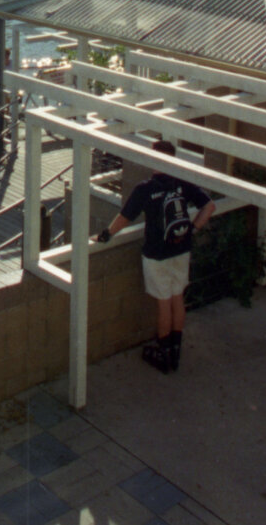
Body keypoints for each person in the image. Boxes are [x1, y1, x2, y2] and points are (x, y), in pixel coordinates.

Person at [95, 140, 215, 374]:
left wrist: (107, 233)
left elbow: (124, 218)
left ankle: (163, 354)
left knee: (163, 304)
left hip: (157, 254)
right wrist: (194, 229)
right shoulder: (183, 183)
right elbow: (209, 207)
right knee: (177, 298)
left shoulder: (145, 189)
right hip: (182, 249)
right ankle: (176, 353)